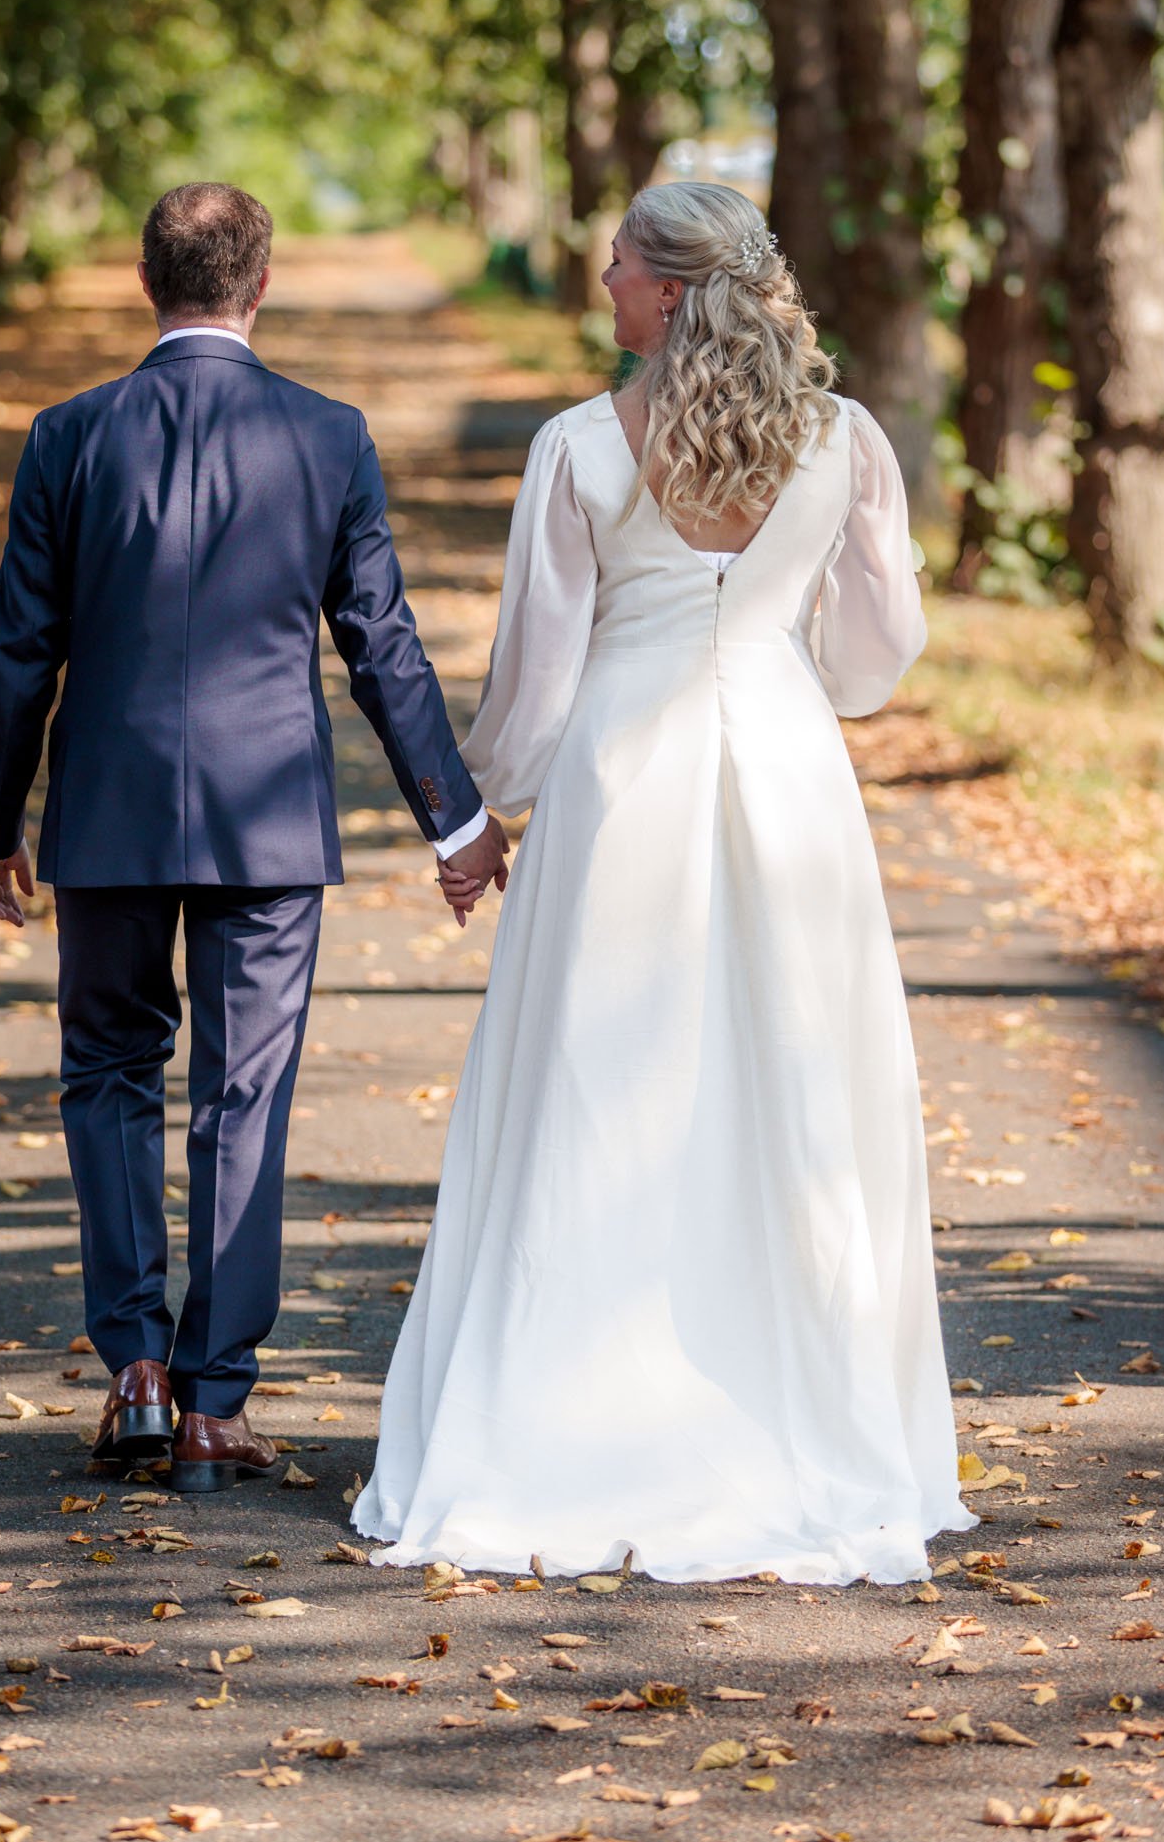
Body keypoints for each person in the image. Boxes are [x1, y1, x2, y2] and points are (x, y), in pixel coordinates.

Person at [353, 179, 976, 1584]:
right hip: (792, 786)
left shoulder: (581, 446)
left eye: (622, 261)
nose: (602, 279)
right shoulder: (846, 439)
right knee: (794, 1088)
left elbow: (535, 681)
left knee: (594, 1083)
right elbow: (876, 661)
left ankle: (563, 1420)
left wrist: (484, 811)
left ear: (676, 289)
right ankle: (808, 1413)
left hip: (619, 791)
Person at [0, 183, 507, 1492]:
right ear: (260, 286)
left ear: (149, 283)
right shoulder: (328, 435)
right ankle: (214, 1400)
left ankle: (134, 1369)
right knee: (244, 1092)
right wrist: (460, 817)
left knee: (106, 1070)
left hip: (106, 811)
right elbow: (378, 640)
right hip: (269, 819)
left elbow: (22, 648)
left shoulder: (69, 434)